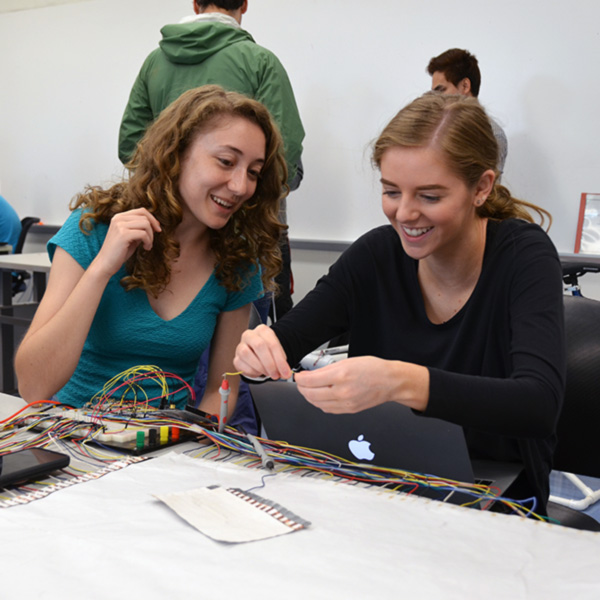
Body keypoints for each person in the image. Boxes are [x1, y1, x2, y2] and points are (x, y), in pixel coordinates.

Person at [234, 93, 566, 515]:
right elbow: (286, 339)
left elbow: (538, 405)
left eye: (429, 196)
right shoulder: (375, 255)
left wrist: (398, 382)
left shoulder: (524, 256)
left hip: (498, 502)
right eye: (391, 191)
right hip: (381, 488)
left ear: (482, 187)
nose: (404, 214)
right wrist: (260, 349)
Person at [15, 85, 287, 424]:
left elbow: (223, 389)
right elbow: (33, 386)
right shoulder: (94, 228)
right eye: (226, 162)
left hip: (165, 450)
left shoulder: (237, 259)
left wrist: (180, 443)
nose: (240, 186)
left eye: (253, 173)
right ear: (178, 153)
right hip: (74, 439)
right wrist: (101, 268)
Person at [118, 0, 305, 321]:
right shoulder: (260, 62)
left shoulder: (155, 63)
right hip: (245, 239)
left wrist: (175, 181)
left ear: (195, 4)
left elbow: (130, 145)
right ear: (244, 5)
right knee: (253, 351)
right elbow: (285, 160)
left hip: (166, 235)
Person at [427, 48, 508, 176]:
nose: (436, 98)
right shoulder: (435, 128)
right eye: (434, 93)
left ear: (465, 86)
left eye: (441, 90)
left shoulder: (492, 134)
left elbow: (491, 192)